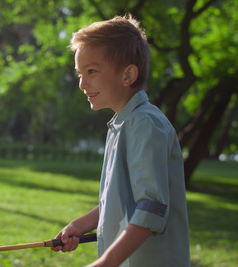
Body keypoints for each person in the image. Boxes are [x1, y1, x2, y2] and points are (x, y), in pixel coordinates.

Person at [51, 15, 191, 267]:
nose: (82, 84)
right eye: (79, 73)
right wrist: (79, 225)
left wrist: (105, 263)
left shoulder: (144, 124)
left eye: (91, 71)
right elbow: (122, 198)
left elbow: (151, 209)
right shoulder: (122, 123)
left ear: (128, 75)